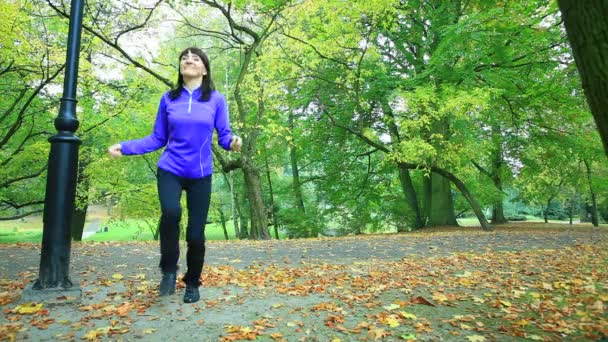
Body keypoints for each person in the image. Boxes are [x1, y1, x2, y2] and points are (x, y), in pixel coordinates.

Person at [108, 47, 241, 303]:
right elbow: (157, 138)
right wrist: (124, 147)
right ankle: (168, 270)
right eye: (184, 58)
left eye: (195, 59)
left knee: (195, 234)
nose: (188, 61)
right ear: (180, 67)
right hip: (171, 168)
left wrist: (233, 143)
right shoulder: (168, 98)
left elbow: (224, 136)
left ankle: (193, 281)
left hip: (201, 174)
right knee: (171, 213)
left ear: (204, 68)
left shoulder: (216, 100)